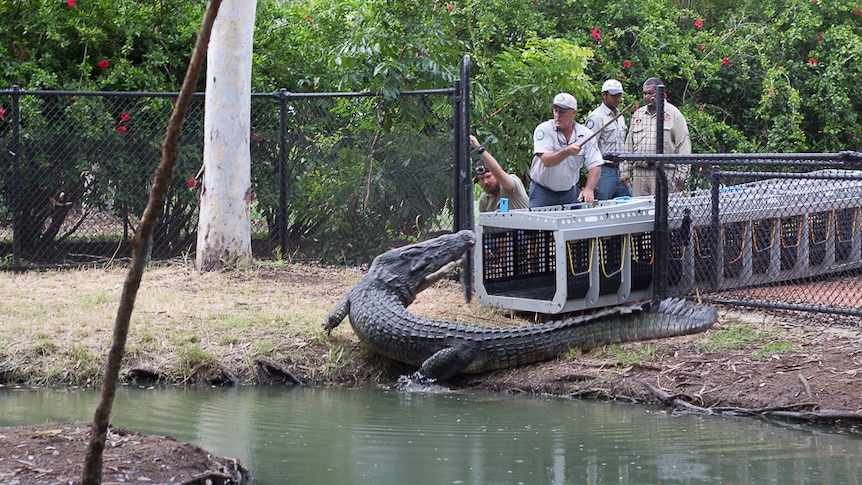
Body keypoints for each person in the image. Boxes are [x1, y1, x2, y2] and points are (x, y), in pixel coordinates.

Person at [528, 92, 603, 208]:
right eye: (555, 111)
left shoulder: (586, 134)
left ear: (573, 113)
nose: (557, 115)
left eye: (562, 112)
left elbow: (595, 164)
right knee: (537, 226)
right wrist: (567, 151)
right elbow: (547, 161)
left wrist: (589, 188)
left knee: (575, 224)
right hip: (542, 193)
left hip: (569, 193)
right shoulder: (543, 130)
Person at [623, 77, 692, 196]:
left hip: (664, 172)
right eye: (644, 93)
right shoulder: (638, 114)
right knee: (639, 211)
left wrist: (682, 174)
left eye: (650, 93)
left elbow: (683, 145)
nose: (646, 97)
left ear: (660, 93)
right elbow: (629, 144)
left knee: (661, 211)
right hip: (640, 172)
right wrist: (624, 171)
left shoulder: (674, 114)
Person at [585, 79, 632, 200]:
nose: (617, 98)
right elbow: (589, 148)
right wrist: (592, 179)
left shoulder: (620, 116)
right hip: (603, 171)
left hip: (620, 169)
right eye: (613, 95)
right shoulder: (596, 117)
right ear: (604, 95)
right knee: (602, 206)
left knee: (627, 203)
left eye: (619, 95)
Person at [470, 135, 529, 212]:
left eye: (488, 177)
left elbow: (498, 173)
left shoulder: (511, 185)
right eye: (481, 179)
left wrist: (479, 148)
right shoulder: (484, 199)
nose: (485, 182)